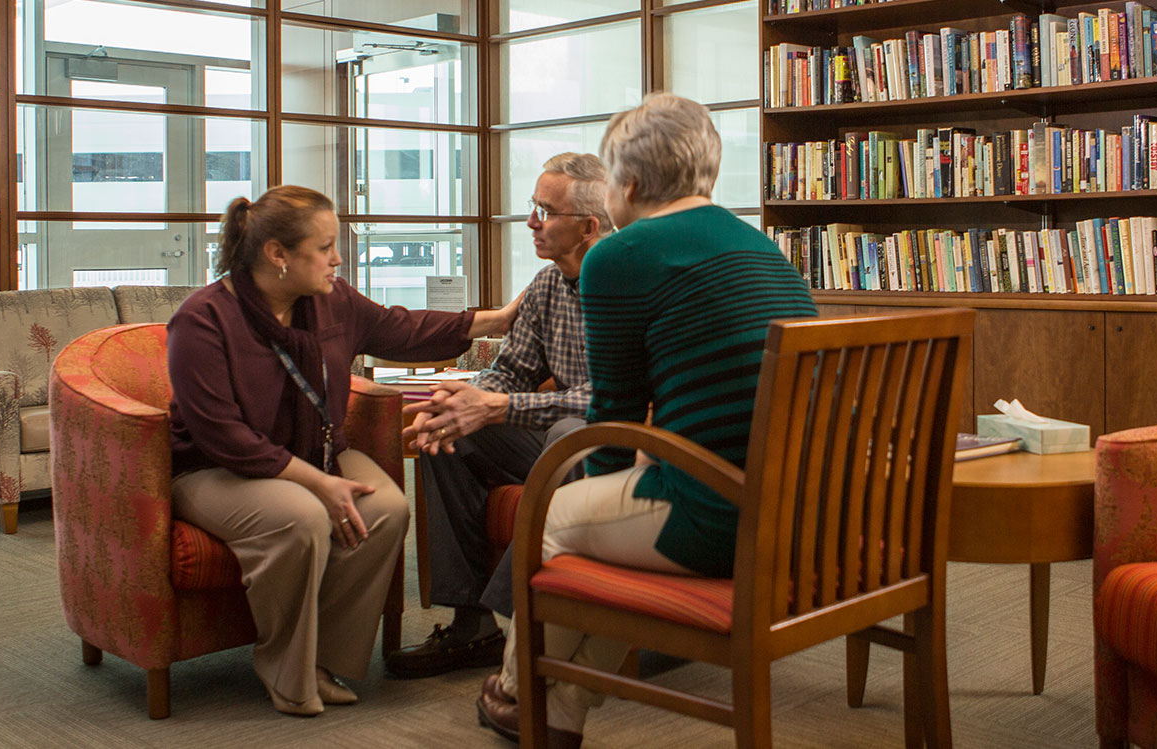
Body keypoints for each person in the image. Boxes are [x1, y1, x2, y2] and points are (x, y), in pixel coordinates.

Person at [472, 94, 817, 747]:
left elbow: (614, 417)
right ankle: (564, 707)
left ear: (626, 184)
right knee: (604, 525)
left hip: (722, 517)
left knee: (552, 522)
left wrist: (596, 494)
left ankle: (518, 693)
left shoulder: (620, 256)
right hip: (803, 509)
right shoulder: (763, 249)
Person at [167, 185, 519, 717]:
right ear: (277, 255)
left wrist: (496, 319)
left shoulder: (331, 302)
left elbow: (401, 328)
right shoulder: (203, 320)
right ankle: (283, 666)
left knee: (386, 508)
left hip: (315, 455)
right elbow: (222, 434)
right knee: (302, 518)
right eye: (325, 247)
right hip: (217, 470)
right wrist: (319, 484)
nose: (338, 259)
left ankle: (324, 660)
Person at [388, 153, 613, 679]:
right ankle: (472, 626)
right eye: (533, 207)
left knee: (567, 432)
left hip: (610, 442)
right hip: (551, 437)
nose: (532, 222)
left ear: (588, 226)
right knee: (449, 431)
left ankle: (518, 612)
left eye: (546, 211)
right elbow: (510, 372)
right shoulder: (545, 287)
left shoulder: (624, 286)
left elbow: (612, 398)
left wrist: (504, 406)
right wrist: (467, 404)